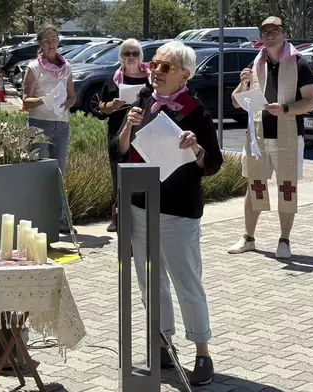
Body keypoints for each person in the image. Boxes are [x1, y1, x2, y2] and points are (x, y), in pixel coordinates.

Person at [111, 41, 223, 386]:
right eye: (154, 65)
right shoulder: (144, 102)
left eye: (164, 68)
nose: (155, 72)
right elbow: (120, 151)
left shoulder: (195, 111)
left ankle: (202, 352)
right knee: (150, 282)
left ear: (183, 75)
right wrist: (128, 126)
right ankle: (162, 344)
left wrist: (197, 147)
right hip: (141, 204)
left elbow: (213, 163)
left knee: (187, 282)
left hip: (178, 210)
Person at [228, 16, 313, 259]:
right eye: (265, 31)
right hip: (258, 136)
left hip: (287, 137)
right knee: (254, 185)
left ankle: (284, 241)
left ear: (284, 34)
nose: (269, 35)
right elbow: (237, 102)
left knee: (287, 187)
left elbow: (311, 101)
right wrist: (243, 84)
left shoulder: (299, 64)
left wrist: (286, 109)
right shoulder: (256, 63)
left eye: (274, 31)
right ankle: (248, 237)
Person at [22, 25, 76, 233]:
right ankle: (39, 220)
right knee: (40, 174)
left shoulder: (66, 67)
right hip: (39, 126)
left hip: (61, 126)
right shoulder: (34, 67)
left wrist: (66, 103)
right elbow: (26, 101)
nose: (51, 44)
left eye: (54, 39)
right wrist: (44, 100)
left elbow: (72, 96)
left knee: (58, 174)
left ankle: (61, 219)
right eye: (46, 40)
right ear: (40, 44)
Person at [98, 38, 151, 232]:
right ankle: (117, 217)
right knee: (118, 173)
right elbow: (102, 106)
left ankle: (142, 213)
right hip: (118, 131)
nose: (131, 57)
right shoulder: (114, 78)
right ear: (121, 57)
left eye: (134, 53)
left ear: (140, 56)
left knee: (142, 171)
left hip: (145, 131)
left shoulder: (150, 77)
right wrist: (112, 106)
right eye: (126, 53)